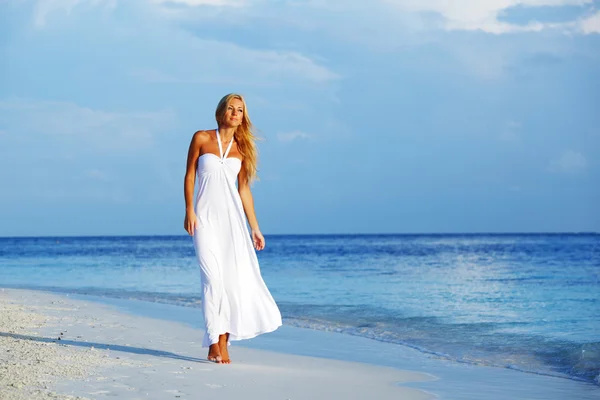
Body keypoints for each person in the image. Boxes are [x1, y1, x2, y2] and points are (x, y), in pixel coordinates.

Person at [183, 93, 282, 364]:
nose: (235, 113)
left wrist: (255, 228)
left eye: (240, 110)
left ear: (243, 117)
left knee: (229, 282)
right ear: (220, 112)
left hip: (233, 224)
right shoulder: (201, 138)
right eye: (231, 108)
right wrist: (189, 209)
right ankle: (213, 340)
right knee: (212, 280)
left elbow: (244, 190)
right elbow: (190, 174)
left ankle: (222, 343)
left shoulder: (243, 148)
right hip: (204, 219)